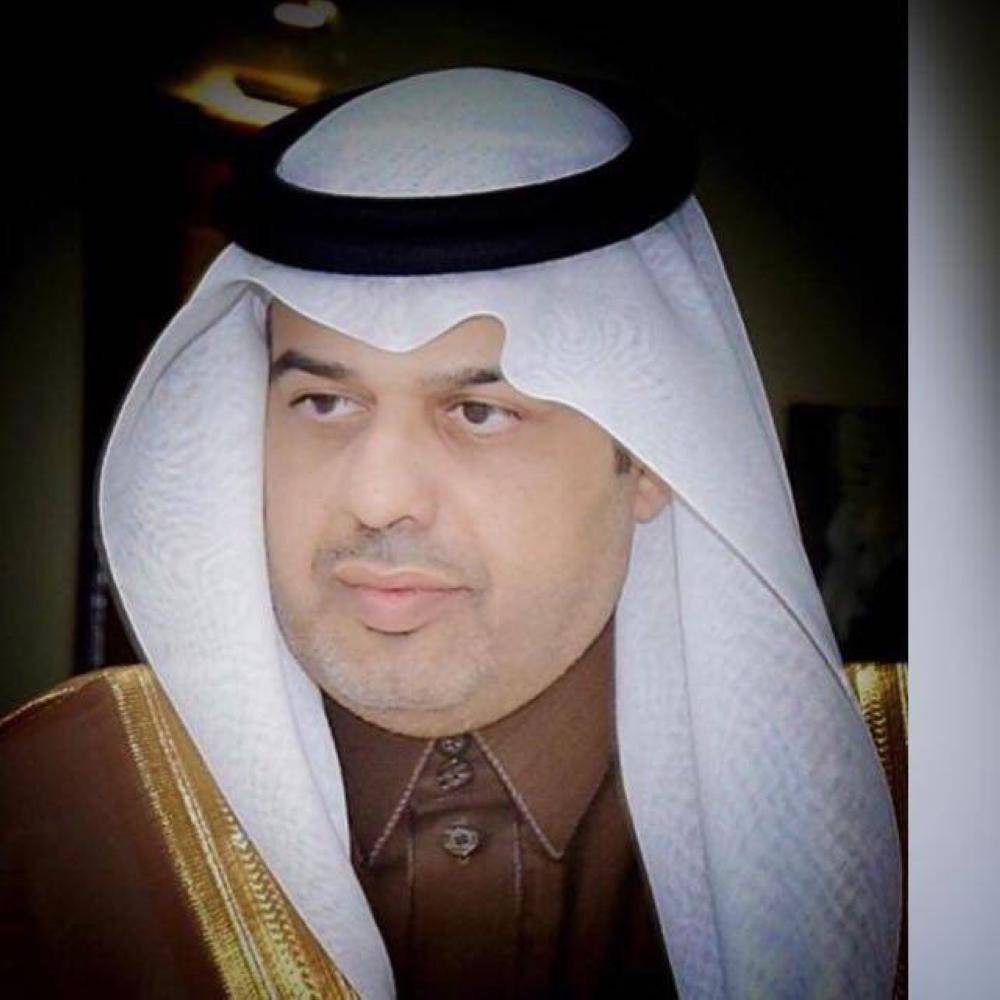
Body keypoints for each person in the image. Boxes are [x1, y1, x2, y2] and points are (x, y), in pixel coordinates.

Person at [0, 68, 901, 998]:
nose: (378, 497)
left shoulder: (927, 810)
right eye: (324, 401)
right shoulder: (52, 806)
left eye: (479, 412)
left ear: (649, 453)